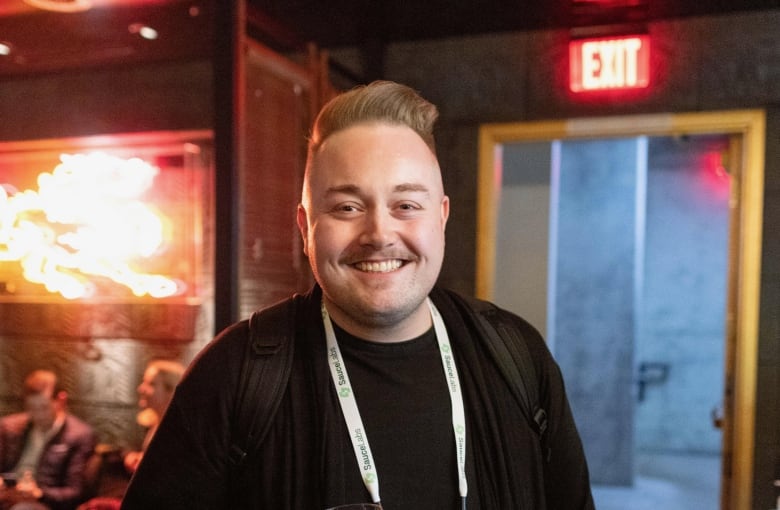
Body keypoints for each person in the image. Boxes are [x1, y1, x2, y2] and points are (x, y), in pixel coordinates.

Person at [122, 80, 595, 509]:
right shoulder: (233, 376)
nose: (379, 233)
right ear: (306, 228)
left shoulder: (515, 357)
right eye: (347, 207)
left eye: (406, 205)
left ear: (442, 218)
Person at [76, 360, 185, 510]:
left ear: (171, 391)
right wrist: (133, 456)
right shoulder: (150, 423)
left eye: (151, 384)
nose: (141, 388)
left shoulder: (178, 431)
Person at [0, 370, 96, 510]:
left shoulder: (79, 435)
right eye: (31, 408)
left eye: (43, 408)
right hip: (7, 495)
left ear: (60, 401)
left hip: (43, 502)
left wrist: (40, 494)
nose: (37, 415)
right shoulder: (8, 427)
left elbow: (75, 492)